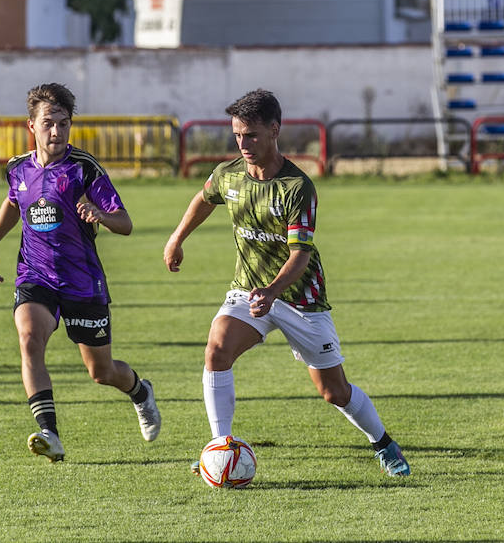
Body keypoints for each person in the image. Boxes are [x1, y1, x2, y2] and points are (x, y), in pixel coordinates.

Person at [164, 88, 411, 477]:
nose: (243, 143)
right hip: (248, 289)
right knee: (216, 352)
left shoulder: (297, 187)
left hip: (301, 300)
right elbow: (204, 197)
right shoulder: (228, 175)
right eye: (237, 135)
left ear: (275, 130)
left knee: (334, 392)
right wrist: (177, 238)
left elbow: (301, 255)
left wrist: (272, 292)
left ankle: (383, 442)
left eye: (252, 135)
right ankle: (220, 448)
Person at [0, 83, 160, 463]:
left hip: (81, 281)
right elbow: (14, 202)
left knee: (102, 371)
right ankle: (50, 433)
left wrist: (101, 215)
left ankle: (140, 392)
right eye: (49, 124)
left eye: (63, 124)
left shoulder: (83, 168)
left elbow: (125, 223)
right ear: (31, 126)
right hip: (35, 275)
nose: (57, 132)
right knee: (28, 339)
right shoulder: (18, 169)